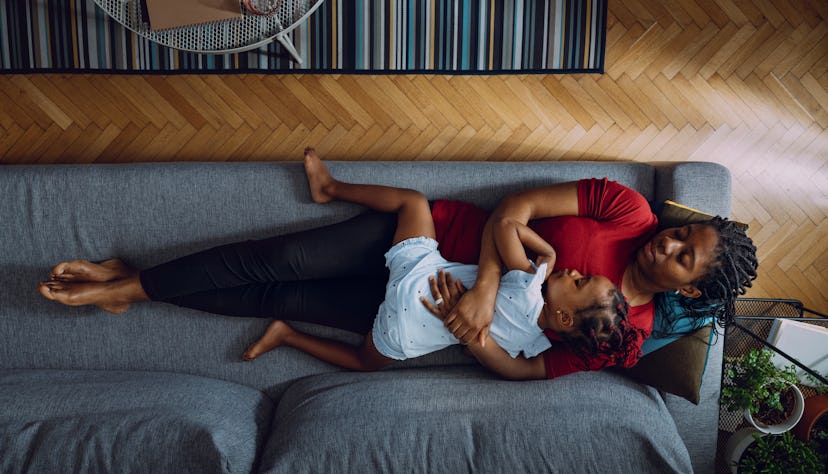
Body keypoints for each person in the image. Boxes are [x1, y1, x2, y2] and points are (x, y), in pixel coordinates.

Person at [38, 149, 758, 378]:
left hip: (422, 310)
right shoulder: (627, 209)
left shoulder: (613, 332)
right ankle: (125, 281)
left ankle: (130, 289)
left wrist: (470, 332)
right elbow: (514, 211)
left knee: (276, 293)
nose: (665, 242)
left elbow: (525, 371)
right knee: (279, 255)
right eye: (679, 236)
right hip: (431, 239)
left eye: (682, 256)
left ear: (690, 284)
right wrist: (479, 289)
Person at [239, 149, 634, 379]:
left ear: (565, 318)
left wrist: (546, 255)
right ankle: (287, 336)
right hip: (406, 330)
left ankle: (330, 189)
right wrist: (470, 337)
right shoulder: (529, 344)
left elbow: (507, 226)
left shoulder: (529, 284)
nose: (573, 270)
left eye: (580, 282)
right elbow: (501, 362)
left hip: (417, 274)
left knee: (412, 202)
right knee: (364, 362)